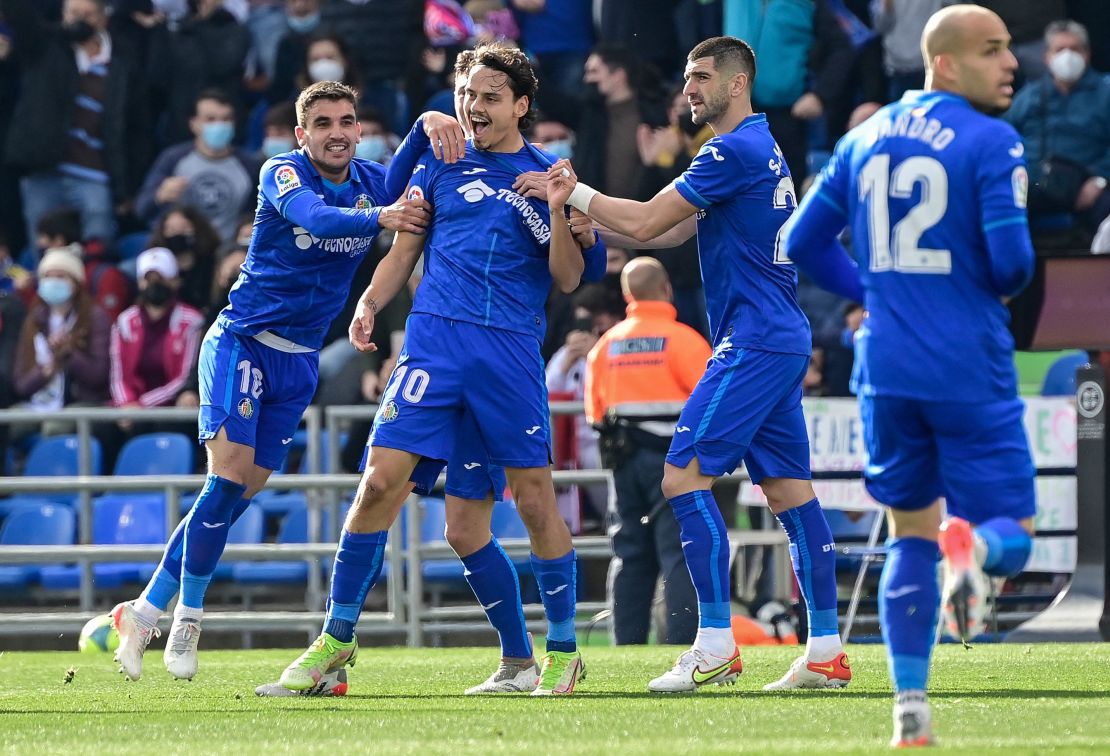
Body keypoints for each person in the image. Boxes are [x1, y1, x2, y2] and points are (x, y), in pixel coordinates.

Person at [277, 43, 588, 697]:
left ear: (522, 106)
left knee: (520, 505)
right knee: (377, 485)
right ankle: (336, 642)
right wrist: (368, 303)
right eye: (468, 94)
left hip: (506, 354)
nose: (475, 107)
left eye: (491, 97)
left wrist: (559, 208)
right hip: (432, 347)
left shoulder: (547, 177)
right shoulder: (438, 160)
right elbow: (403, 243)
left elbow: (569, 276)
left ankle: (557, 651)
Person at [543, 35, 851, 693]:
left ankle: (714, 644)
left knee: (682, 477)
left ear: (739, 84)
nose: (690, 88)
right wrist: (605, 225)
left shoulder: (729, 148)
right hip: (779, 335)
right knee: (791, 494)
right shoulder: (759, 148)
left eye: (703, 76)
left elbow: (655, 221)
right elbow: (674, 228)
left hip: (753, 339)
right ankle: (824, 649)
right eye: (687, 77)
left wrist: (576, 194)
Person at [109, 80, 436, 683]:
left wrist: (426, 123)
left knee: (237, 494)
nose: (337, 132)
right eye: (323, 123)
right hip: (243, 341)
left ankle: (144, 609)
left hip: (300, 361)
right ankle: (188, 618)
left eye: (346, 121)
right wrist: (379, 216)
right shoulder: (281, 173)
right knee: (227, 478)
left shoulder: (369, 179)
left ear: (359, 130)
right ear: (301, 134)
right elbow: (313, 216)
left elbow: (405, 178)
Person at [784, 5, 1037, 746]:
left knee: (909, 535)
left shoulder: (863, 138)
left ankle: (910, 713)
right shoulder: (993, 140)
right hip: (967, 364)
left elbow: (801, 240)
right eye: (993, 51)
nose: (1011, 63)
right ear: (947, 63)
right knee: (1010, 533)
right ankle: (978, 552)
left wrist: (876, 291)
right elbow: (1014, 266)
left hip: (886, 367)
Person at [585, 257, 706, 645]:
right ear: (667, 289)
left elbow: (594, 411)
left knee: (629, 554)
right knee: (678, 554)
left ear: (626, 295)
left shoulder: (606, 345)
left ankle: (627, 643)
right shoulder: (686, 340)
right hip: (677, 464)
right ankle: (683, 643)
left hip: (624, 463)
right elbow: (709, 403)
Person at [1002, 19, 1110, 233]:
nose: (1067, 56)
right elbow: (1003, 136)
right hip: (1036, 187)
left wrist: (1100, 179)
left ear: (1087, 54)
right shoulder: (1029, 96)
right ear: (1047, 56)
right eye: (1060, 49)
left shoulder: (1105, 92)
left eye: (1075, 49)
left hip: (1089, 187)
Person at [135, 90, 259, 243]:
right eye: (210, 119)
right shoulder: (173, 159)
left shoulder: (250, 166)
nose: (219, 125)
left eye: (226, 119)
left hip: (228, 252)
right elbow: (141, 209)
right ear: (193, 124)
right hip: (183, 249)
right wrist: (160, 195)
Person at [109, 247, 204, 409]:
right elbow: (118, 375)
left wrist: (143, 405)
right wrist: (127, 403)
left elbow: (184, 377)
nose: (154, 284)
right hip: (128, 408)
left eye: (160, 278)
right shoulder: (124, 321)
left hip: (171, 405)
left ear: (175, 281)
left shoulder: (192, 321)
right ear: (140, 283)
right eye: (148, 279)